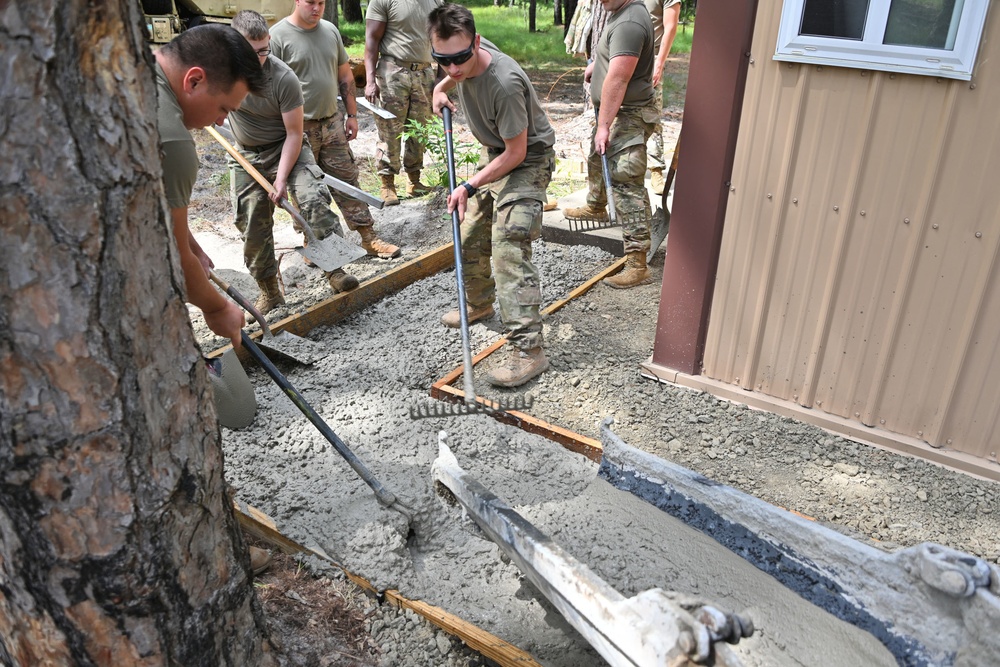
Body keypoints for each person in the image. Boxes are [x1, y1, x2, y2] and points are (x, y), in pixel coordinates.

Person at [153, 23, 272, 575]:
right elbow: (179, 267)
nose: (224, 122)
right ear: (195, 79)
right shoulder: (174, 139)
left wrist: (191, 241)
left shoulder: (133, 70)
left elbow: (174, 235)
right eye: (225, 108)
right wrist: (216, 306)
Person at [428, 4, 556, 388]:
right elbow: (452, 74)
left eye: (461, 60)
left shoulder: (504, 82)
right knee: (468, 235)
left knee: (508, 245)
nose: (453, 69)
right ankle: (480, 303)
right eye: (442, 60)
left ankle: (529, 350)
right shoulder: (458, 59)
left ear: (477, 43)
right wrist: (439, 89)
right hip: (495, 154)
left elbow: (516, 154)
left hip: (527, 159)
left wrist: (469, 185)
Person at [227, 10, 360, 314]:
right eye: (252, 52)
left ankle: (335, 270)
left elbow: (294, 134)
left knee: (313, 201)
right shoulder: (222, 72)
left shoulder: (284, 78)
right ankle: (270, 291)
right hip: (246, 154)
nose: (260, 58)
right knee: (250, 222)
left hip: (288, 147)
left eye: (264, 50)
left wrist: (281, 178)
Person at [270, 0, 402, 260]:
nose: (316, 8)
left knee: (347, 181)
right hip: (298, 129)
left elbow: (345, 77)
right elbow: (269, 88)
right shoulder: (277, 37)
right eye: (310, 2)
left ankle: (368, 238)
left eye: (321, 2)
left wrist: (352, 115)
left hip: (332, 123)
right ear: (297, 1)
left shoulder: (330, 31)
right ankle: (313, 242)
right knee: (305, 190)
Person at [565, 0, 658, 289]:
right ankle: (596, 206)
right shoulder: (621, 12)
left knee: (625, 180)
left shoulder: (630, 22)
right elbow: (615, 61)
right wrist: (598, 64)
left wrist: (604, 126)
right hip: (620, 111)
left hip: (629, 114)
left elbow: (619, 78)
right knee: (597, 157)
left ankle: (637, 263)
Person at [364, 0, 441, 205]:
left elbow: (441, 39)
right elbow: (372, 39)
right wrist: (370, 80)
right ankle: (387, 184)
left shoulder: (436, 1)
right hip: (393, 72)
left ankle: (414, 181)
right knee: (390, 129)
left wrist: (440, 79)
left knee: (420, 129)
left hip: (424, 73)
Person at [645, 0, 680, 195]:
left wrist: (659, 63)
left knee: (651, 115)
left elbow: (671, 26)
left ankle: (656, 170)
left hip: (651, 58)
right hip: (626, 54)